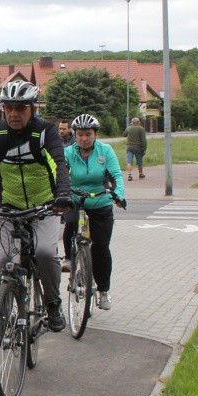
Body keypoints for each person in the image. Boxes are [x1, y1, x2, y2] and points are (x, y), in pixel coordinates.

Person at [0, 80, 73, 347]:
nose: (13, 113)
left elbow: (59, 165)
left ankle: (53, 304)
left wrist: (62, 195)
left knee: (44, 252)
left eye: (20, 108)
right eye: (8, 107)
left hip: (45, 206)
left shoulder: (46, 132)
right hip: (9, 208)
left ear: (32, 108)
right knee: (3, 261)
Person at [62, 114, 126, 310]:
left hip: (100, 200)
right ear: (75, 135)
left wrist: (118, 195)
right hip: (76, 198)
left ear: (96, 134)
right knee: (71, 222)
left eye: (88, 134)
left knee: (101, 249)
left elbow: (115, 175)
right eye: (80, 134)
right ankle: (69, 259)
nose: (84, 138)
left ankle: (103, 290)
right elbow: (61, 175)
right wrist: (60, 194)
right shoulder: (68, 152)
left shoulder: (105, 151)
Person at [122, 117, 147, 181]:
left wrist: (128, 127)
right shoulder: (141, 129)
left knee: (129, 161)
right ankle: (140, 174)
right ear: (138, 122)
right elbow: (143, 140)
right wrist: (144, 149)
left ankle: (129, 175)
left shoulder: (129, 128)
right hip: (138, 148)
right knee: (139, 161)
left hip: (129, 147)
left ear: (132, 122)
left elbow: (124, 134)